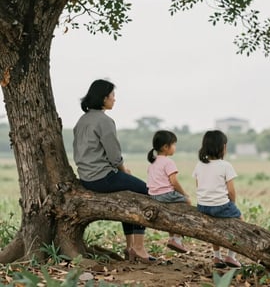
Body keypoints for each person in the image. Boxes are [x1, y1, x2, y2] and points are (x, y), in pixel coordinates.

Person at [73, 79, 156, 263]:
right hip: (103, 177)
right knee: (146, 192)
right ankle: (139, 248)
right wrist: (124, 170)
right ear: (103, 98)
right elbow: (114, 155)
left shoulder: (82, 120)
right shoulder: (105, 121)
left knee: (129, 196)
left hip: (86, 177)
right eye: (112, 96)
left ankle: (130, 248)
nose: (114, 100)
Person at [192, 130, 242, 268]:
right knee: (239, 222)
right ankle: (231, 256)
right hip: (221, 205)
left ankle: (216, 257)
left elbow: (198, 186)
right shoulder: (226, 165)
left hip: (202, 206)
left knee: (214, 228)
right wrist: (231, 204)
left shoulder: (199, 165)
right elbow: (231, 191)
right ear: (223, 147)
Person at [147, 130, 191, 253]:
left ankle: (172, 237)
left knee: (171, 212)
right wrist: (184, 194)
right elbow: (174, 182)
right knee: (186, 203)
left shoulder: (153, 162)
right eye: (174, 144)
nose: (175, 148)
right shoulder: (168, 162)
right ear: (166, 147)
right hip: (166, 195)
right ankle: (176, 238)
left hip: (153, 195)